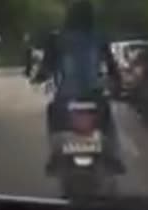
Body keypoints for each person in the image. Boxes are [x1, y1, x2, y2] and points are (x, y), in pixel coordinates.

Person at [37, 1, 124, 174]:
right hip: (94, 95)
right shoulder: (99, 37)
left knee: (53, 115)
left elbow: (46, 67)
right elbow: (111, 66)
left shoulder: (57, 38)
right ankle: (113, 156)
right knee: (107, 121)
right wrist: (117, 82)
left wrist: (39, 77)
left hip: (66, 96)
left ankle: (55, 155)